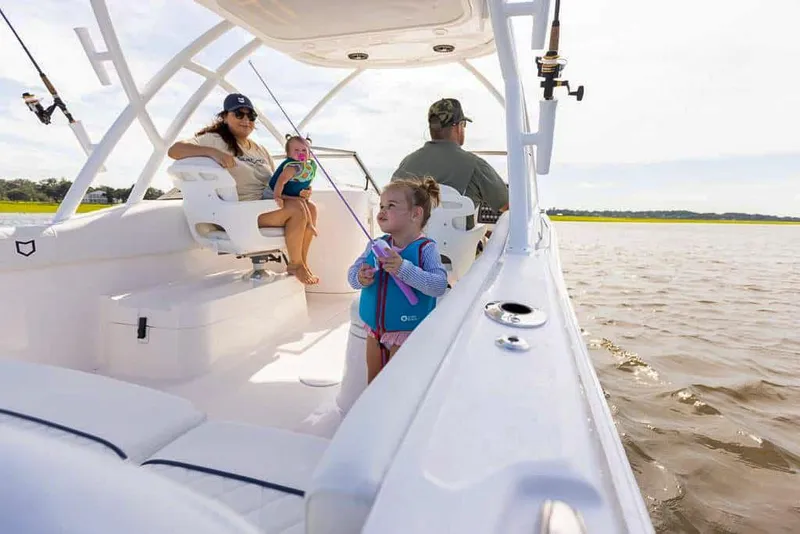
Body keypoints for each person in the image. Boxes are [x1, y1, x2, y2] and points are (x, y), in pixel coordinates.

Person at [167, 93, 318, 284]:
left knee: (310, 208)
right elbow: (175, 150)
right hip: (242, 210)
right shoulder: (213, 139)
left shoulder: (259, 149)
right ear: (225, 116)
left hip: (266, 203)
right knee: (296, 210)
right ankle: (295, 264)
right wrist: (213, 152)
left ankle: (302, 262)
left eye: (251, 116)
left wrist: (300, 192)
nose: (246, 120)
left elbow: (276, 183)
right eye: (239, 114)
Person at [347, 177, 448, 383]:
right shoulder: (375, 245)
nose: (382, 211)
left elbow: (438, 285)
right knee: (373, 383)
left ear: (415, 214)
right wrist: (360, 276)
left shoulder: (426, 249)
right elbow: (352, 276)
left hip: (407, 334)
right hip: (375, 332)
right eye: (381, 205)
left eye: (391, 206)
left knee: (396, 386)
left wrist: (404, 268)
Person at [392, 98, 509, 221]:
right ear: (458, 127)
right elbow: (507, 205)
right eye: (464, 125)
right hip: (460, 241)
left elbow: (391, 204)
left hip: (412, 240)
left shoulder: (406, 163)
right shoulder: (475, 165)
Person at [266, 135, 318, 237]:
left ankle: (310, 225)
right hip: (275, 193)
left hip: (286, 193)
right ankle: (309, 224)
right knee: (299, 202)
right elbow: (280, 182)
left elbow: (304, 180)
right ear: (288, 154)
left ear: (309, 153)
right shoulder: (292, 166)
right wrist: (277, 196)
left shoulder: (307, 166)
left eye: (304, 150)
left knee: (308, 204)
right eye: (296, 150)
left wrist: (307, 189)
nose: (300, 153)